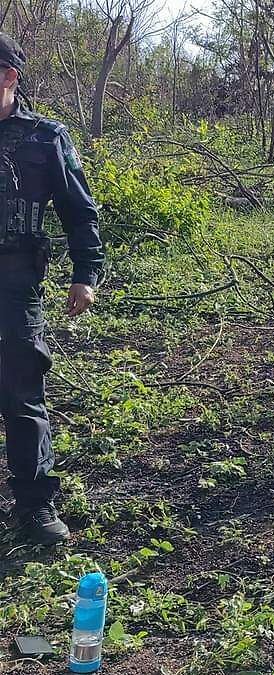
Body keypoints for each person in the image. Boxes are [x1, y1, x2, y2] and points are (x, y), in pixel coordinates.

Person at [0, 33, 104, 544]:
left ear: (10, 77)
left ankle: (35, 507)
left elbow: (79, 211)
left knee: (22, 395)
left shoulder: (45, 137)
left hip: (16, 282)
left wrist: (85, 274)